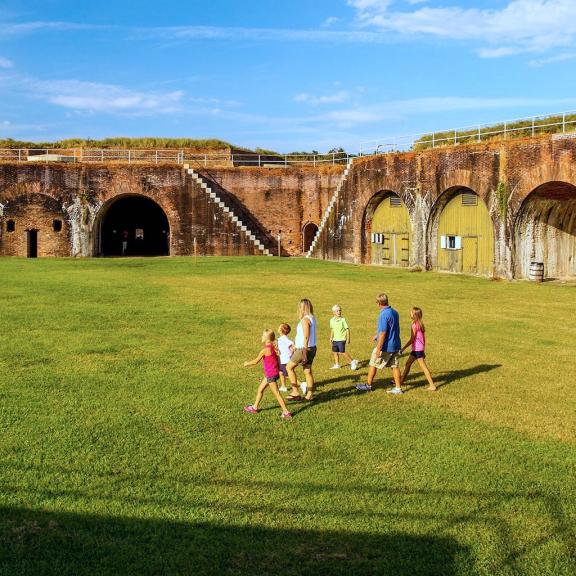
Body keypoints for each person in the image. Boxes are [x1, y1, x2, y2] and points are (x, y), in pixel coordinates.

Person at [356, 293, 403, 394]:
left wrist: (378, 348)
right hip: (395, 344)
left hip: (386, 346)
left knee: (373, 363)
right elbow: (392, 328)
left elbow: (383, 333)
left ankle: (368, 385)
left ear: (379, 303)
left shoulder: (383, 314)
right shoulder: (394, 312)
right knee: (395, 366)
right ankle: (398, 388)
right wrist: (376, 336)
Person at [244, 329, 292, 419]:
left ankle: (286, 412)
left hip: (270, 375)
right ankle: (254, 407)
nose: (261, 337)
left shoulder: (265, 350)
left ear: (267, 339)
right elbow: (277, 360)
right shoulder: (274, 347)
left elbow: (255, 361)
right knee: (260, 390)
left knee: (277, 394)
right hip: (272, 373)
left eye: (262, 336)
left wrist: (247, 363)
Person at [286, 298, 317, 401]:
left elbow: (306, 336)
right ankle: (309, 395)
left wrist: (303, 351)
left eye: (300, 306)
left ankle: (295, 392)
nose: (299, 308)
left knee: (289, 367)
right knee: (307, 371)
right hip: (312, 348)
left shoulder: (305, 320)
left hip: (304, 349)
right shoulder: (312, 318)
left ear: (303, 307)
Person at [399, 307, 436, 391]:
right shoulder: (420, 324)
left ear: (415, 315)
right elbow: (423, 339)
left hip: (417, 350)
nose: (410, 313)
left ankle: (432, 385)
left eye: (411, 312)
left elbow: (412, 339)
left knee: (424, 367)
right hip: (418, 349)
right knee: (408, 364)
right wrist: (423, 349)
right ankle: (401, 381)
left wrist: (403, 349)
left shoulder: (414, 325)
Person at [329, 304, 358, 370]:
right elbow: (332, 329)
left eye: (340, 310)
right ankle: (337, 364)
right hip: (335, 339)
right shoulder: (331, 320)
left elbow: (347, 329)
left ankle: (352, 362)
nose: (339, 312)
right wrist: (331, 337)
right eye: (337, 311)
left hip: (341, 339)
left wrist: (348, 338)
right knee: (335, 352)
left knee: (342, 352)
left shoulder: (343, 320)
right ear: (333, 312)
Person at [277, 323, 294, 393]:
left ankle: (302, 384)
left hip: (285, 360)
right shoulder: (281, 338)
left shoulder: (283, 338)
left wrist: (292, 352)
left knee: (288, 375)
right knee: (280, 372)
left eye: (279, 327)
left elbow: (291, 344)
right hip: (281, 359)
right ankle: (283, 386)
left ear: (281, 330)